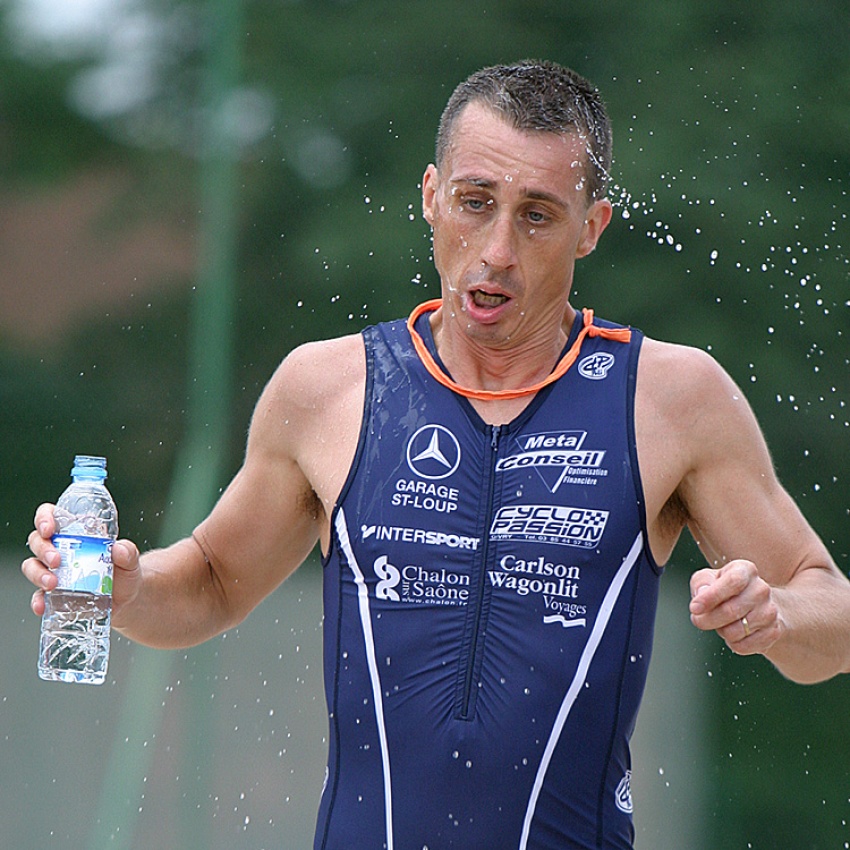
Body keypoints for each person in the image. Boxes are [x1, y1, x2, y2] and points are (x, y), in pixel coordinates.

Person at [24, 60, 850, 850]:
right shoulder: (328, 389)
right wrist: (131, 589)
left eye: (537, 215)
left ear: (591, 228)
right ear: (430, 195)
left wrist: (776, 617)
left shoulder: (671, 399)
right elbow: (212, 582)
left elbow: (832, 614)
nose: (497, 251)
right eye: (474, 202)